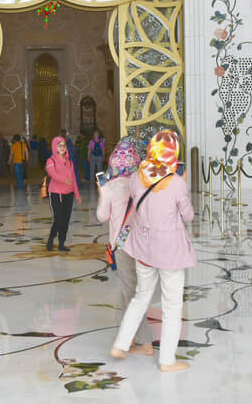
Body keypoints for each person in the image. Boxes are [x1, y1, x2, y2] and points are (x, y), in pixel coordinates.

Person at [110, 130, 194, 372]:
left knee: (140, 296)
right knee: (172, 304)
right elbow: (187, 216)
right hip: (169, 251)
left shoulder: (137, 178)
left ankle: (121, 343)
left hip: (143, 248)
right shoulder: (176, 183)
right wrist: (184, 184)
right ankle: (167, 360)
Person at [96, 137, 155, 354]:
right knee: (129, 288)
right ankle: (127, 335)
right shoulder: (142, 185)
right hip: (143, 244)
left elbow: (102, 216)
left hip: (122, 245)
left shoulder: (110, 187)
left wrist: (102, 193)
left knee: (130, 292)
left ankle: (146, 343)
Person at [45, 135, 81, 251]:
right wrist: (63, 180)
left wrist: (77, 194)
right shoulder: (51, 161)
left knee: (65, 220)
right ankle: (51, 239)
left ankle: (61, 243)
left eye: (64, 145)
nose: (62, 147)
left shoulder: (69, 162)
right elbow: (52, 174)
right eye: (59, 145)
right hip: (56, 194)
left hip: (68, 194)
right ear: (54, 147)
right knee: (58, 219)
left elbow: (73, 178)